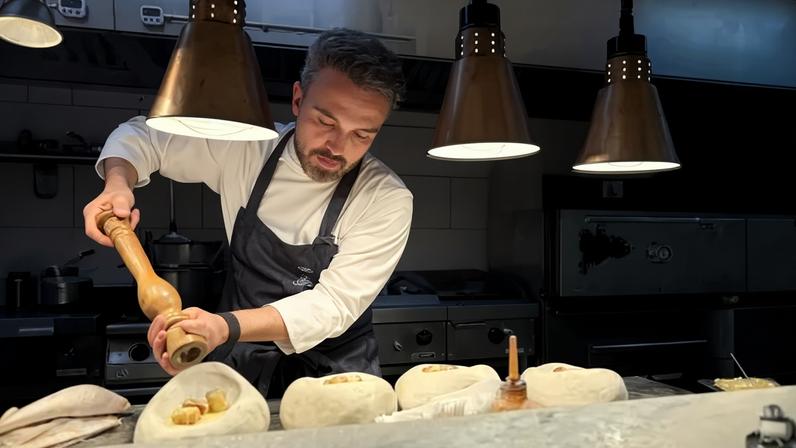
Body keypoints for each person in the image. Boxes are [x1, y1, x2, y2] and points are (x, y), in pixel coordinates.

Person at [83, 28, 413, 398]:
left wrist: (222, 327)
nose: (337, 147)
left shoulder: (386, 198)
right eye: (326, 122)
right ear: (298, 99)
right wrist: (117, 184)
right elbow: (142, 137)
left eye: (362, 135)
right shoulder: (247, 149)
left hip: (338, 375)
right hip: (242, 363)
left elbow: (331, 306)